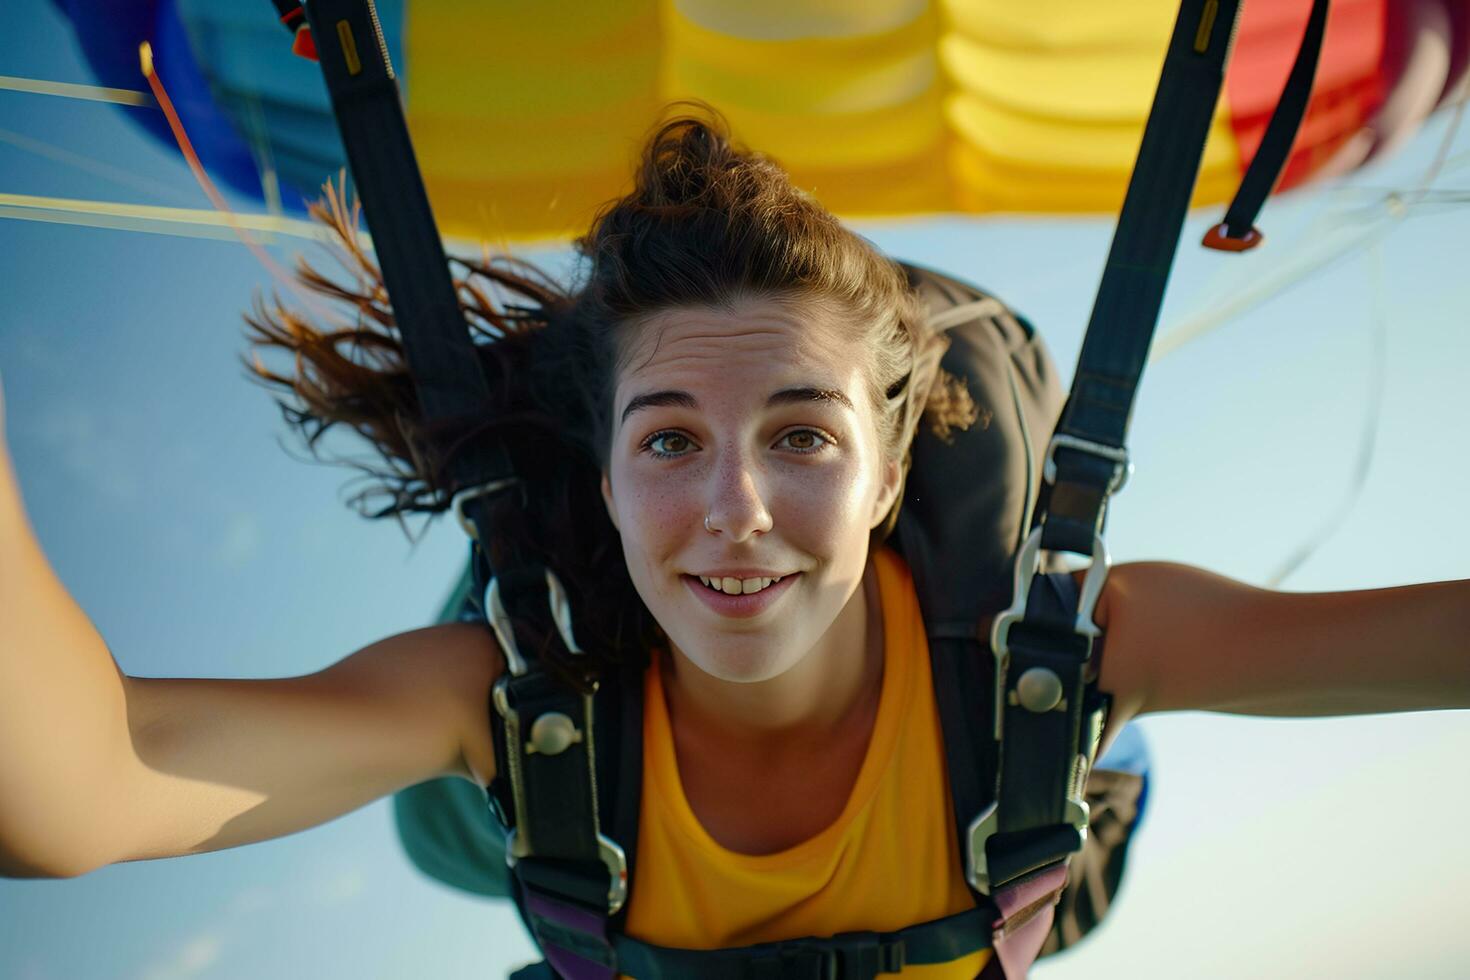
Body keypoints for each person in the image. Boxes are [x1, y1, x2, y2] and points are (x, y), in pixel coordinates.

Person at [1, 114, 1467, 976]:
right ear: (608, 472)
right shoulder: (509, 708)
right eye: (668, 441)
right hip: (517, 825)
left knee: (1075, 755)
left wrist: (1082, 719)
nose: (735, 511)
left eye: (803, 436)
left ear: (891, 472)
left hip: (1020, 794)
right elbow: (71, 799)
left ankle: (1101, 771)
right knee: (461, 824)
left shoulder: (1071, 651)